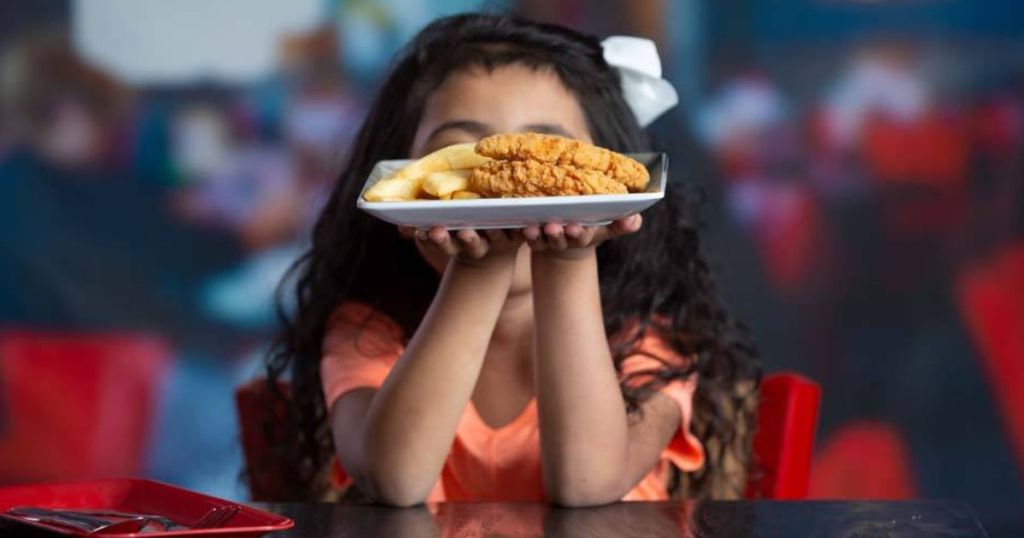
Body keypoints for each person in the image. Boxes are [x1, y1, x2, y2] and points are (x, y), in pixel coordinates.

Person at [265, 14, 759, 506]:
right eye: (460, 154)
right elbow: (396, 481)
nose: (509, 175)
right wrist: (477, 271)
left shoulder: (645, 346)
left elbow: (585, 485)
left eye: (547, 155)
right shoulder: (367, 334)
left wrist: (568, 264)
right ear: (402, 178)